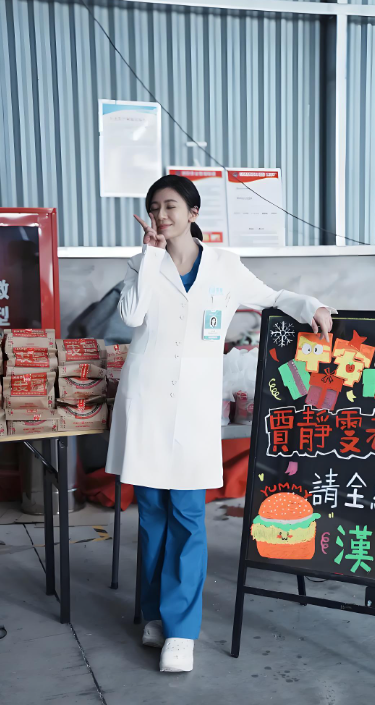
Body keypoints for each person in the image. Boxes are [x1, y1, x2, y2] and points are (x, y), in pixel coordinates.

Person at [105, 174, 336, 673]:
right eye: (154, 207)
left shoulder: (224, 266)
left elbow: (272, 296)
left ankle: (180, 632)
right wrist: (149, 256)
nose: (161, 215)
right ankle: (153, 613)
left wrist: (312, 305)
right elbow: (131, 316)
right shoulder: (141, 263)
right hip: (146, 403)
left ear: (193, 213)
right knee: (152, 515)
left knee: (188, 516)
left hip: (193, 408)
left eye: (170, 206)